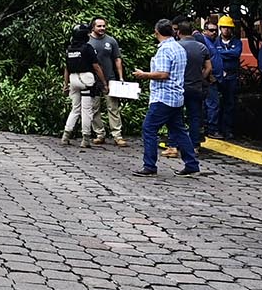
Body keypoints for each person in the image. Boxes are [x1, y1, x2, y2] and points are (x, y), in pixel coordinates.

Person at [130, 18, 201, 176]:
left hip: (163, 96)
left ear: (157, 32)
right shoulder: (178, 48)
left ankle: (149, 165)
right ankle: (191, 163)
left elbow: (163, 73)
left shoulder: (164, 50)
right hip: (176, 96)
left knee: (149, 128)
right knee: (179, 130)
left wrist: (144, 75)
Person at [61, 24, 108, 149]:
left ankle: (66, 135)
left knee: (75, 108)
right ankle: (85, 139)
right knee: (86, 110)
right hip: (86, 79)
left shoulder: (70, 49)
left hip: (73, 79)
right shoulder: (87, 48)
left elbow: (66, 69)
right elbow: (96, 66)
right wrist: (104, 83)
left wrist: (66, 84)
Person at [173, 20, 213, 156]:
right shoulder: (202, 47)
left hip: (179, 87)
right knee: (195, 117)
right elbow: (209, 68)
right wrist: (200, 77)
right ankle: (195, 145)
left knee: (177, 116)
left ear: (178, 32)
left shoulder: (176, 46)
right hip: (196, 87)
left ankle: (175, 144)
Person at [86, 17, 127, 147]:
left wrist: (120, 77)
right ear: (93, 27)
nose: (102, 28)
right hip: (92, 80)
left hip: (110, 79)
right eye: (99, 26)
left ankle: (117, 135)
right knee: (94, 108)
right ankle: (99, 134)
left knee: (113, 107)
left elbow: (117, 59)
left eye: (104, 26)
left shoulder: (111, 41)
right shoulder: (87, 42)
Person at [209, 15, 243, 139]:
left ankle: (227, 129)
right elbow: (213, 55)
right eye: (224, 28)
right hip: (218, 77)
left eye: (228, 28)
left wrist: (221, 53)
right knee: (215, 104)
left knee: (230, 104)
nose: (226, 30)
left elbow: (236, 54)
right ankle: (214, 129)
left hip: (231, 77)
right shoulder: (214, 42)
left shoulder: (237, 42)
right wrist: (225, 54)